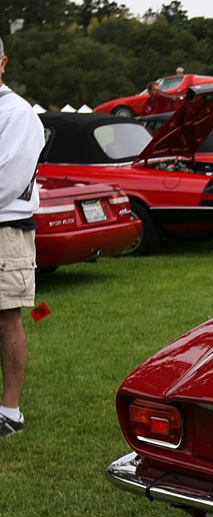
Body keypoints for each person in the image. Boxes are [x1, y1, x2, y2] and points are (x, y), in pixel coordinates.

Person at [0, 37, 46, 437]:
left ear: (3, 63)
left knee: (6, 318)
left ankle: (10, 412)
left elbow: (9, 181)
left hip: (5, 231)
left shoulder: (17, 114)